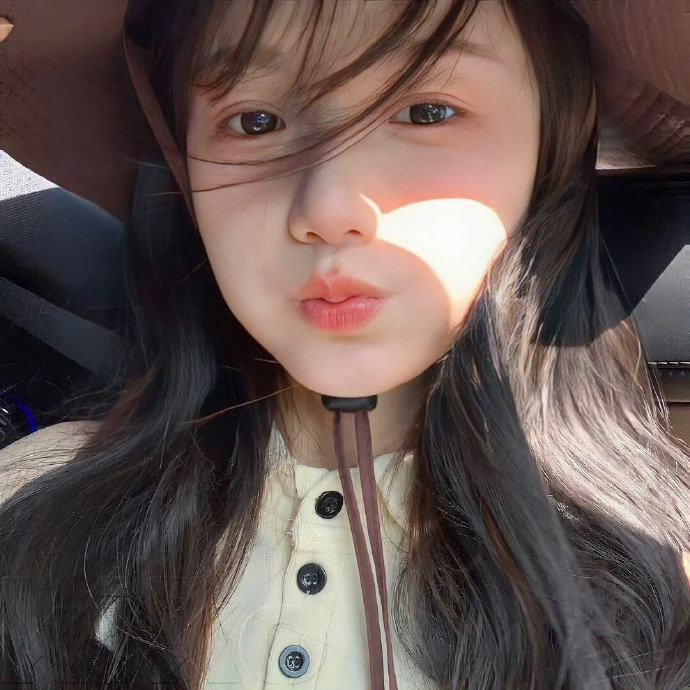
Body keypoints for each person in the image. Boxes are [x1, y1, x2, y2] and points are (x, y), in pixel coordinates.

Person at [0, 1, 689, 688]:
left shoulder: (662, 566)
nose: (328, 208)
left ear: (553, 142)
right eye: (256, 121)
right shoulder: (33, 506)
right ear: (184, 169)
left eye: (425, 111)